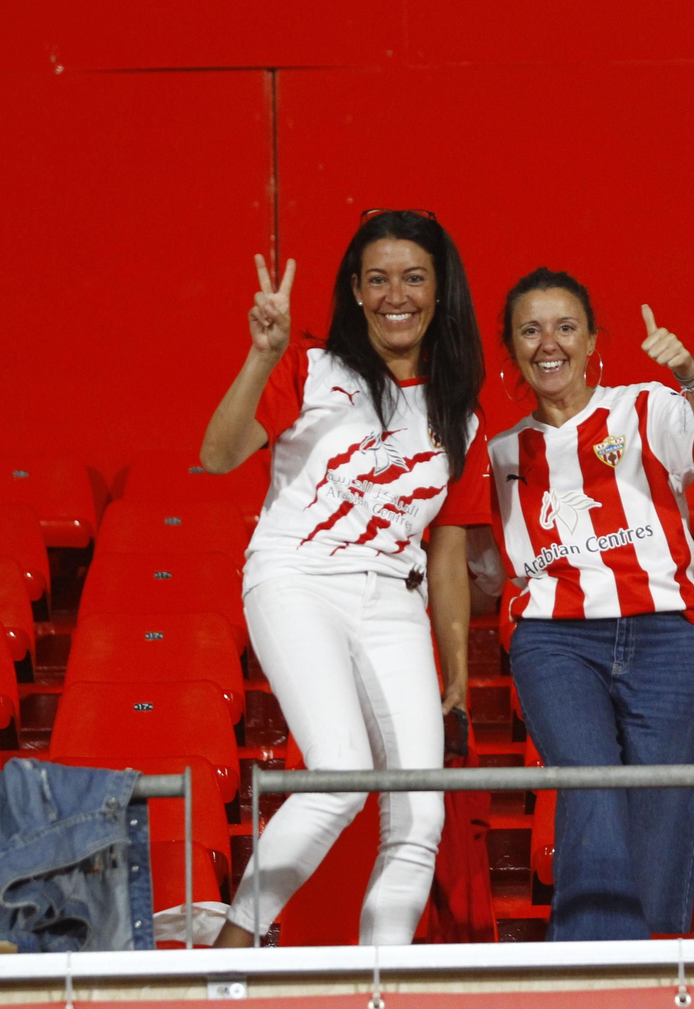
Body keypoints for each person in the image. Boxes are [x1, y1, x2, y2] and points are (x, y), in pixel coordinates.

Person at [199, 209, 487, 947]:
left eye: (414, 277)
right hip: (297, 576)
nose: (397, 294)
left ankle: (379, 984)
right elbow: (220, 453)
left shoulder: (462, 414)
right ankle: (230, 957)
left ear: (439, 290)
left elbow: (448, 550)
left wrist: (453, 662)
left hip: (394, 600)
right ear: (355, 292)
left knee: (420, 810)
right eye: (378, 278)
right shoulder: (310, 369)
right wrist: (261, 356)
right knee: (339, 774)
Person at [488, 268, 694, 941]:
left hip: (668, 633)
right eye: (531, 329)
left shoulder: (647, 406)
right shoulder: (498, 455)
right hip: (555, 640)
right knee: (593, 786)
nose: (550, 342)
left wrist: (690, 371)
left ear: (594, 339)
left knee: (665, 805)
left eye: (566, 326)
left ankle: (651, 974)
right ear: (511, 349)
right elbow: (481, 568)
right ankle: (592, 975)